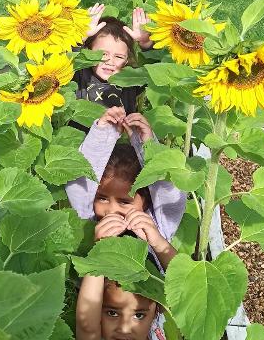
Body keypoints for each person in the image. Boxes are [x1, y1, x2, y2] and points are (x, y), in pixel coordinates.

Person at [66, 106, 186, 273]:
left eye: (124, 202)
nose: (112, 210)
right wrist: (102, 135)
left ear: (146, 200)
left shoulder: (155, 225)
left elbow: (167, 189)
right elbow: (82, 181)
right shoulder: (90, 222)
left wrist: (147, 145)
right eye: (102, 198)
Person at [74, 4, 153, 115]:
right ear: (88, 51)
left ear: (126, 60)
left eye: (119, 56)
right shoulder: (80, 75)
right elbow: (67, 59)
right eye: (103, 54)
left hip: (122, 132)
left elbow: (154, 72)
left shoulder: (130, 81)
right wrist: (80, 37)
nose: (110, 61)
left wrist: (146, 43)